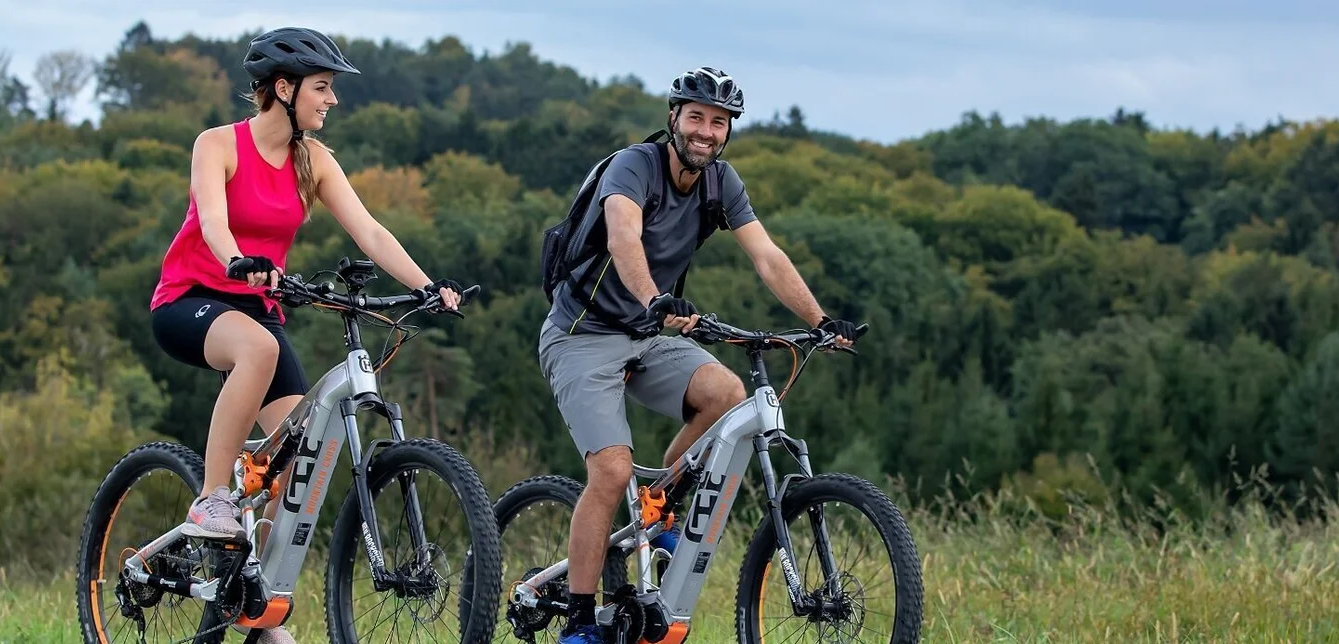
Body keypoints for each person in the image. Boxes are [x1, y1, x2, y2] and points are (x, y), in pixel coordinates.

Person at [147, 24, 462, 626]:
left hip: (259, 311)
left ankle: (251, 608)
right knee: (259, 350)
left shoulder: (313, 160)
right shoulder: (218, 144)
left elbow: (369, 231)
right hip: (190, 299)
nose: (332, 100)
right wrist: (238, 259)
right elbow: (213, 220)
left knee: (298, 461)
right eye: (323, 87)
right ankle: (212, 498)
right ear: (283, 88)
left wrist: (425, 285)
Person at [535, 67, 861, 643]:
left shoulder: (721, 182)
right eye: (696, 118)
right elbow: (623, 239)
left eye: (718, 122)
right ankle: (581, 621)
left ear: (727, 131)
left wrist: (819, 321)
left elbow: (766, 255)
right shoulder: (634, 166)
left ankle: (657, 501)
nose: (706, 132)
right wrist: (655, 299)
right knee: (610, 472)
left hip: (648, 331)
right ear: (673, 118)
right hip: (582, 332)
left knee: (728, 396)